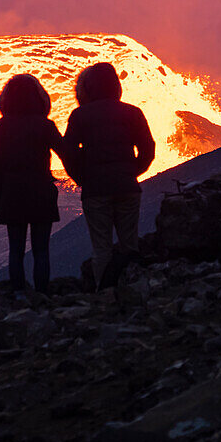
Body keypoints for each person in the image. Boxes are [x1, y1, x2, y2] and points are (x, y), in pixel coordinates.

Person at [64, 62, 155, 290]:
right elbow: (148, 148)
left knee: (101, 248)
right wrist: (132, 172)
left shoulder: (79, 116)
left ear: (88, 88)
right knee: (129, 244)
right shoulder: (132, 112)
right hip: (127, 188)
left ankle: (103, 295)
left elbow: (69, 153)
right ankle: (134, 291)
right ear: (116, 86)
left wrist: (82, 179)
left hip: (95, 191)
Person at [0, 73, 68, 295]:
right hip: (41, 191)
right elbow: (65, 152)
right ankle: (42, 295)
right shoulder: (45, 125)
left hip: (12, 194)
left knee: (16, 250)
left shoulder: (2, 127)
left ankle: (19, 295)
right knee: (41, 250)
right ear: (40, 98)